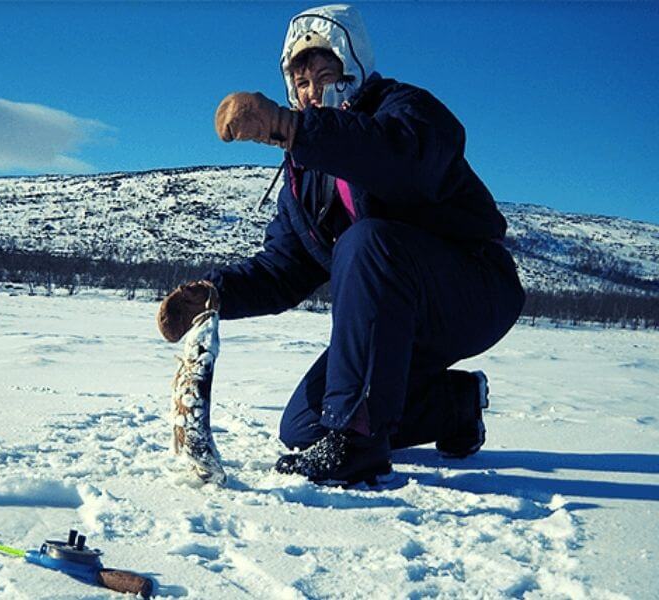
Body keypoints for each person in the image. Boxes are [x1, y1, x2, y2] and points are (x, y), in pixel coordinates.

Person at [157, 4, 525, 485]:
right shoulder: (305, 176)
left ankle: (359, 444)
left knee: (368, 241)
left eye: (325, 76)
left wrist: (291, 129)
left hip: (471, 292)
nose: (312, 94)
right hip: (393, 322)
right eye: (301, 83)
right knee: (304, 426)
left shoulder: (406, 110)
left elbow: (396, 156)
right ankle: (453, 405)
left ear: (352, 69)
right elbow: (283, 268)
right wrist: (215, 294)